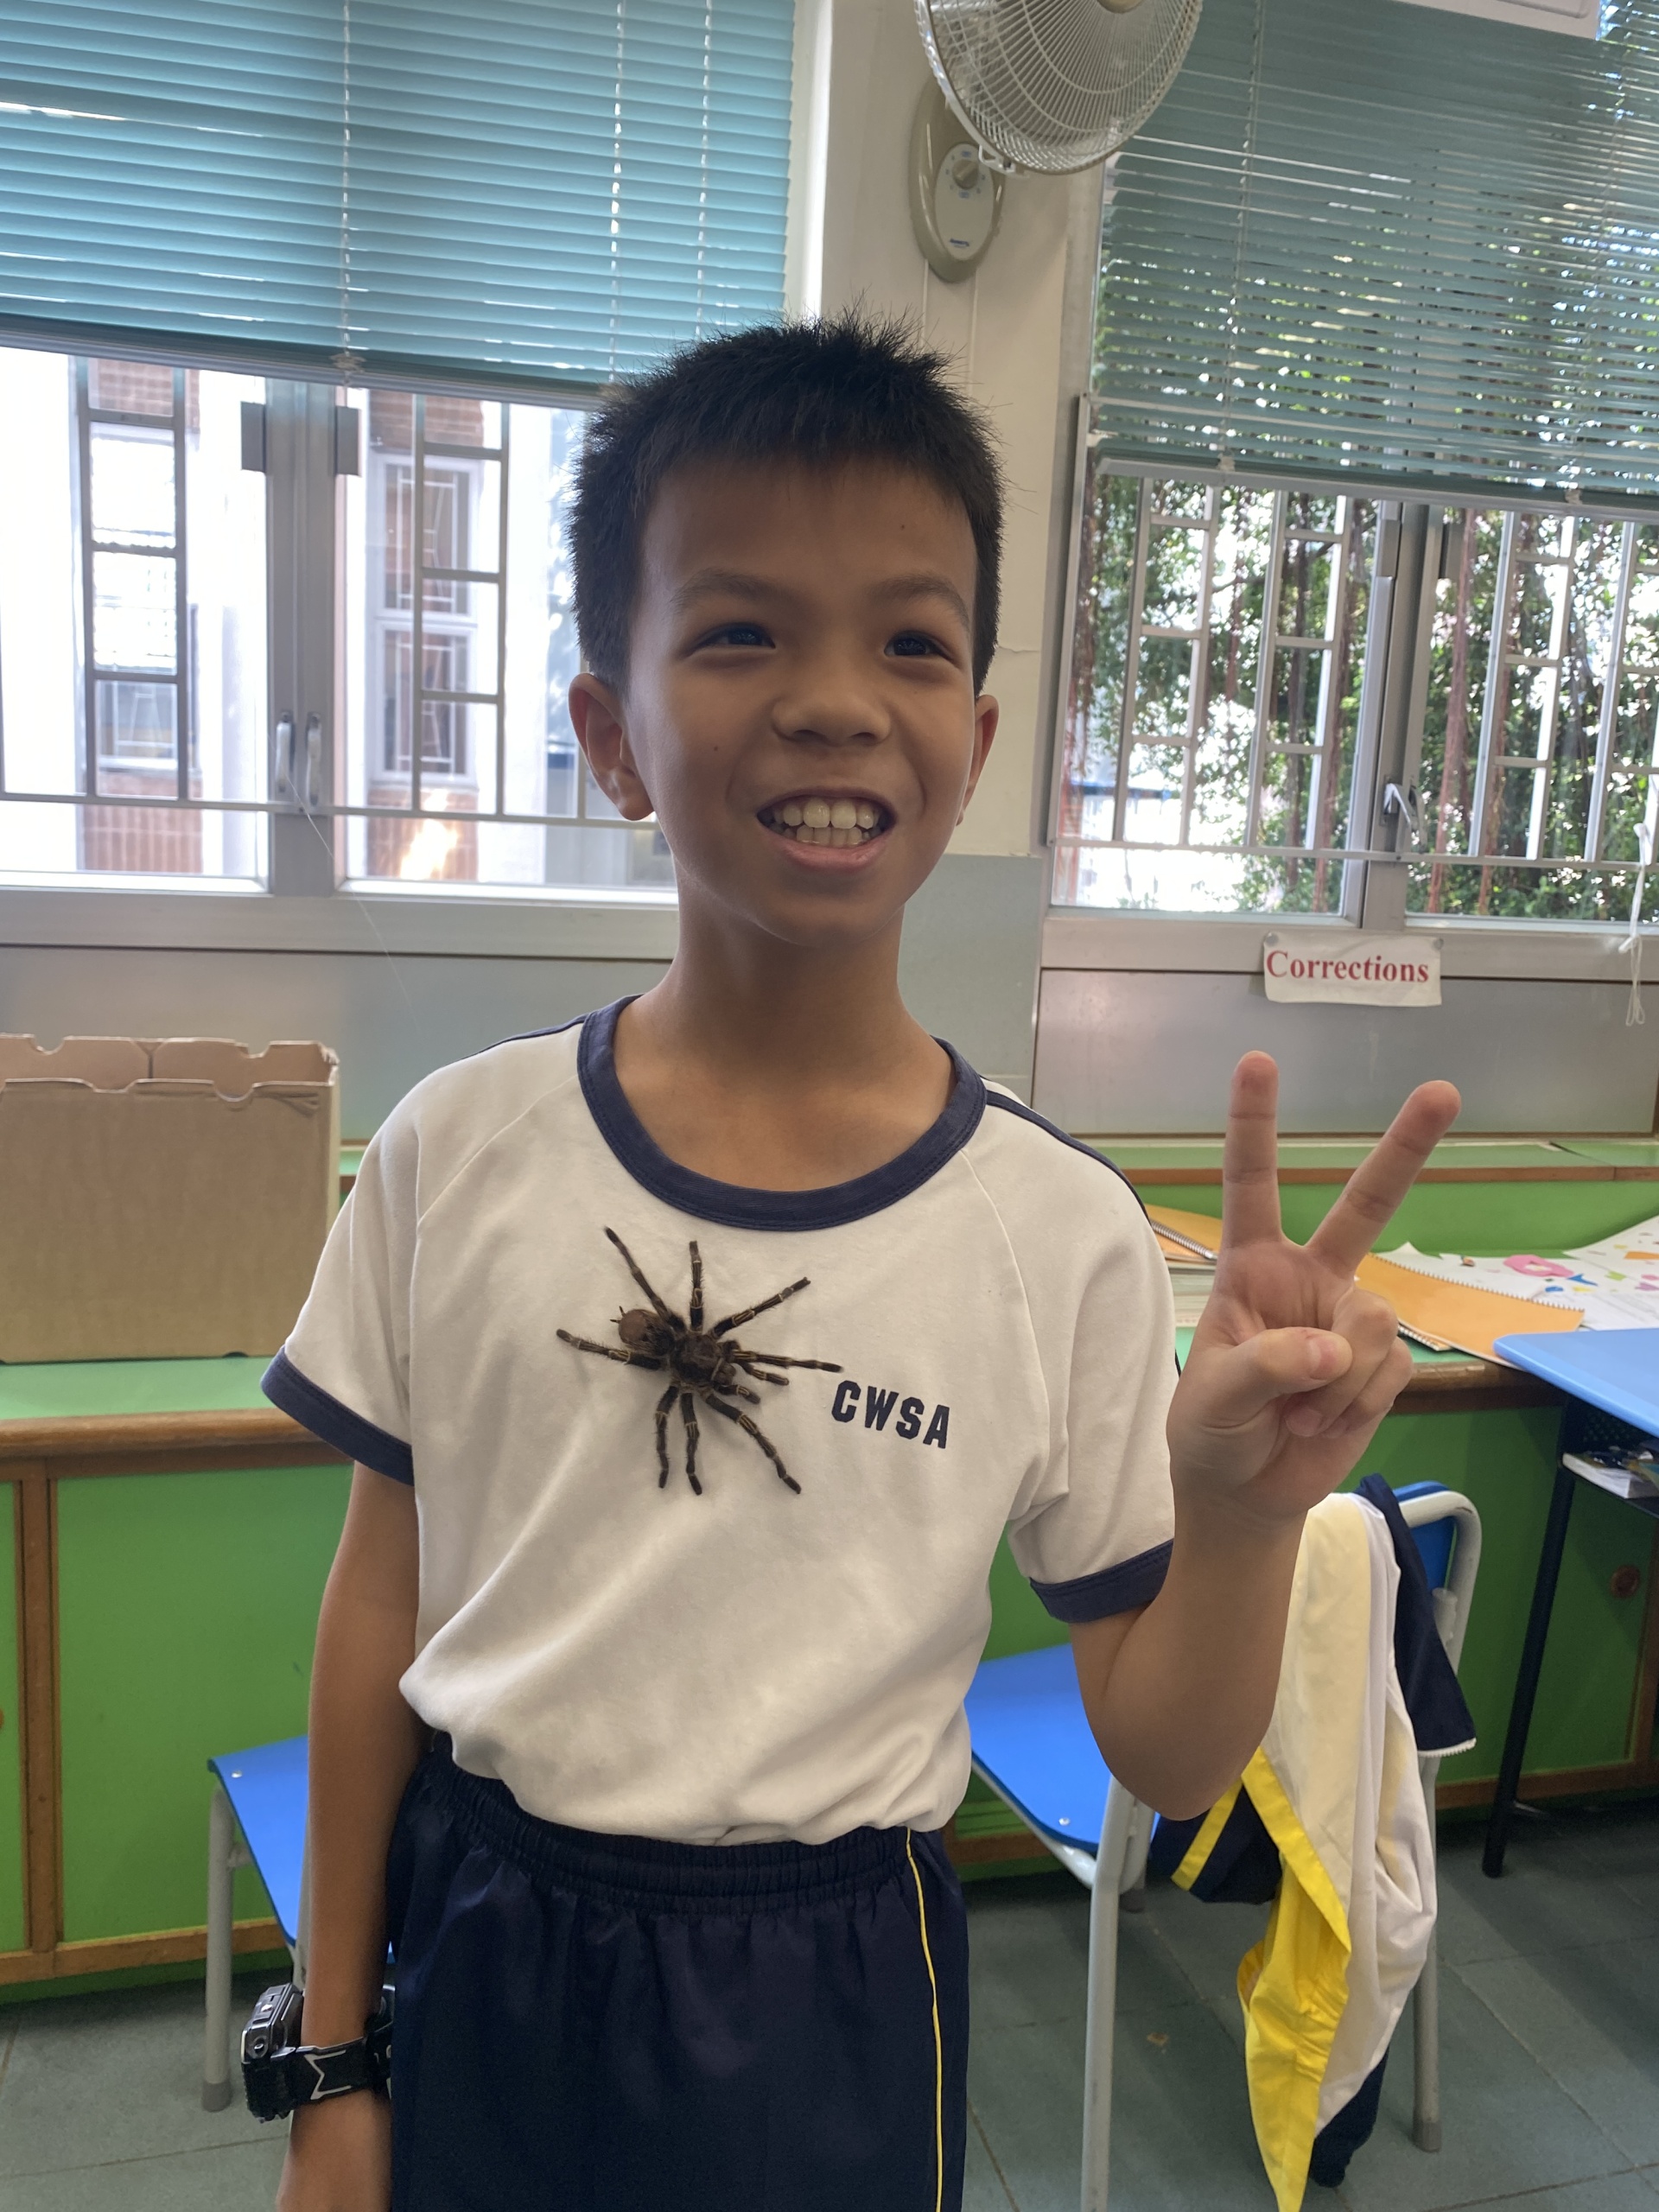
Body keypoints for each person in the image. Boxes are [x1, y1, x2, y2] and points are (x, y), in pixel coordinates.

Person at [266, 313, 1459, 2212]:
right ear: (611, 735)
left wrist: (1243, 1520)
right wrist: (333, 2058)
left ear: (972, 746)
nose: (834, 700)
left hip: (834, 1982)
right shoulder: (453, 1148)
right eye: (742, 630)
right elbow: (370, 1612)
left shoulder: (1056, 1230)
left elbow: (1167, 1756)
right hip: (487, 1932)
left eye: (909, 640)